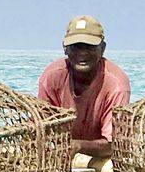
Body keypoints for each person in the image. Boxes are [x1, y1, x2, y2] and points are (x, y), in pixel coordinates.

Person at [38, 15, 130, 159]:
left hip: (103, 158)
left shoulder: (116, 84)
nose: (82, 53)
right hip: (60, 155)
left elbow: (115, 144)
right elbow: (41, 127)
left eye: (90, 47)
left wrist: (78, 146)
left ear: (103, 49)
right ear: (65, 48)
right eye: (76, 47)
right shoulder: (52, 77)